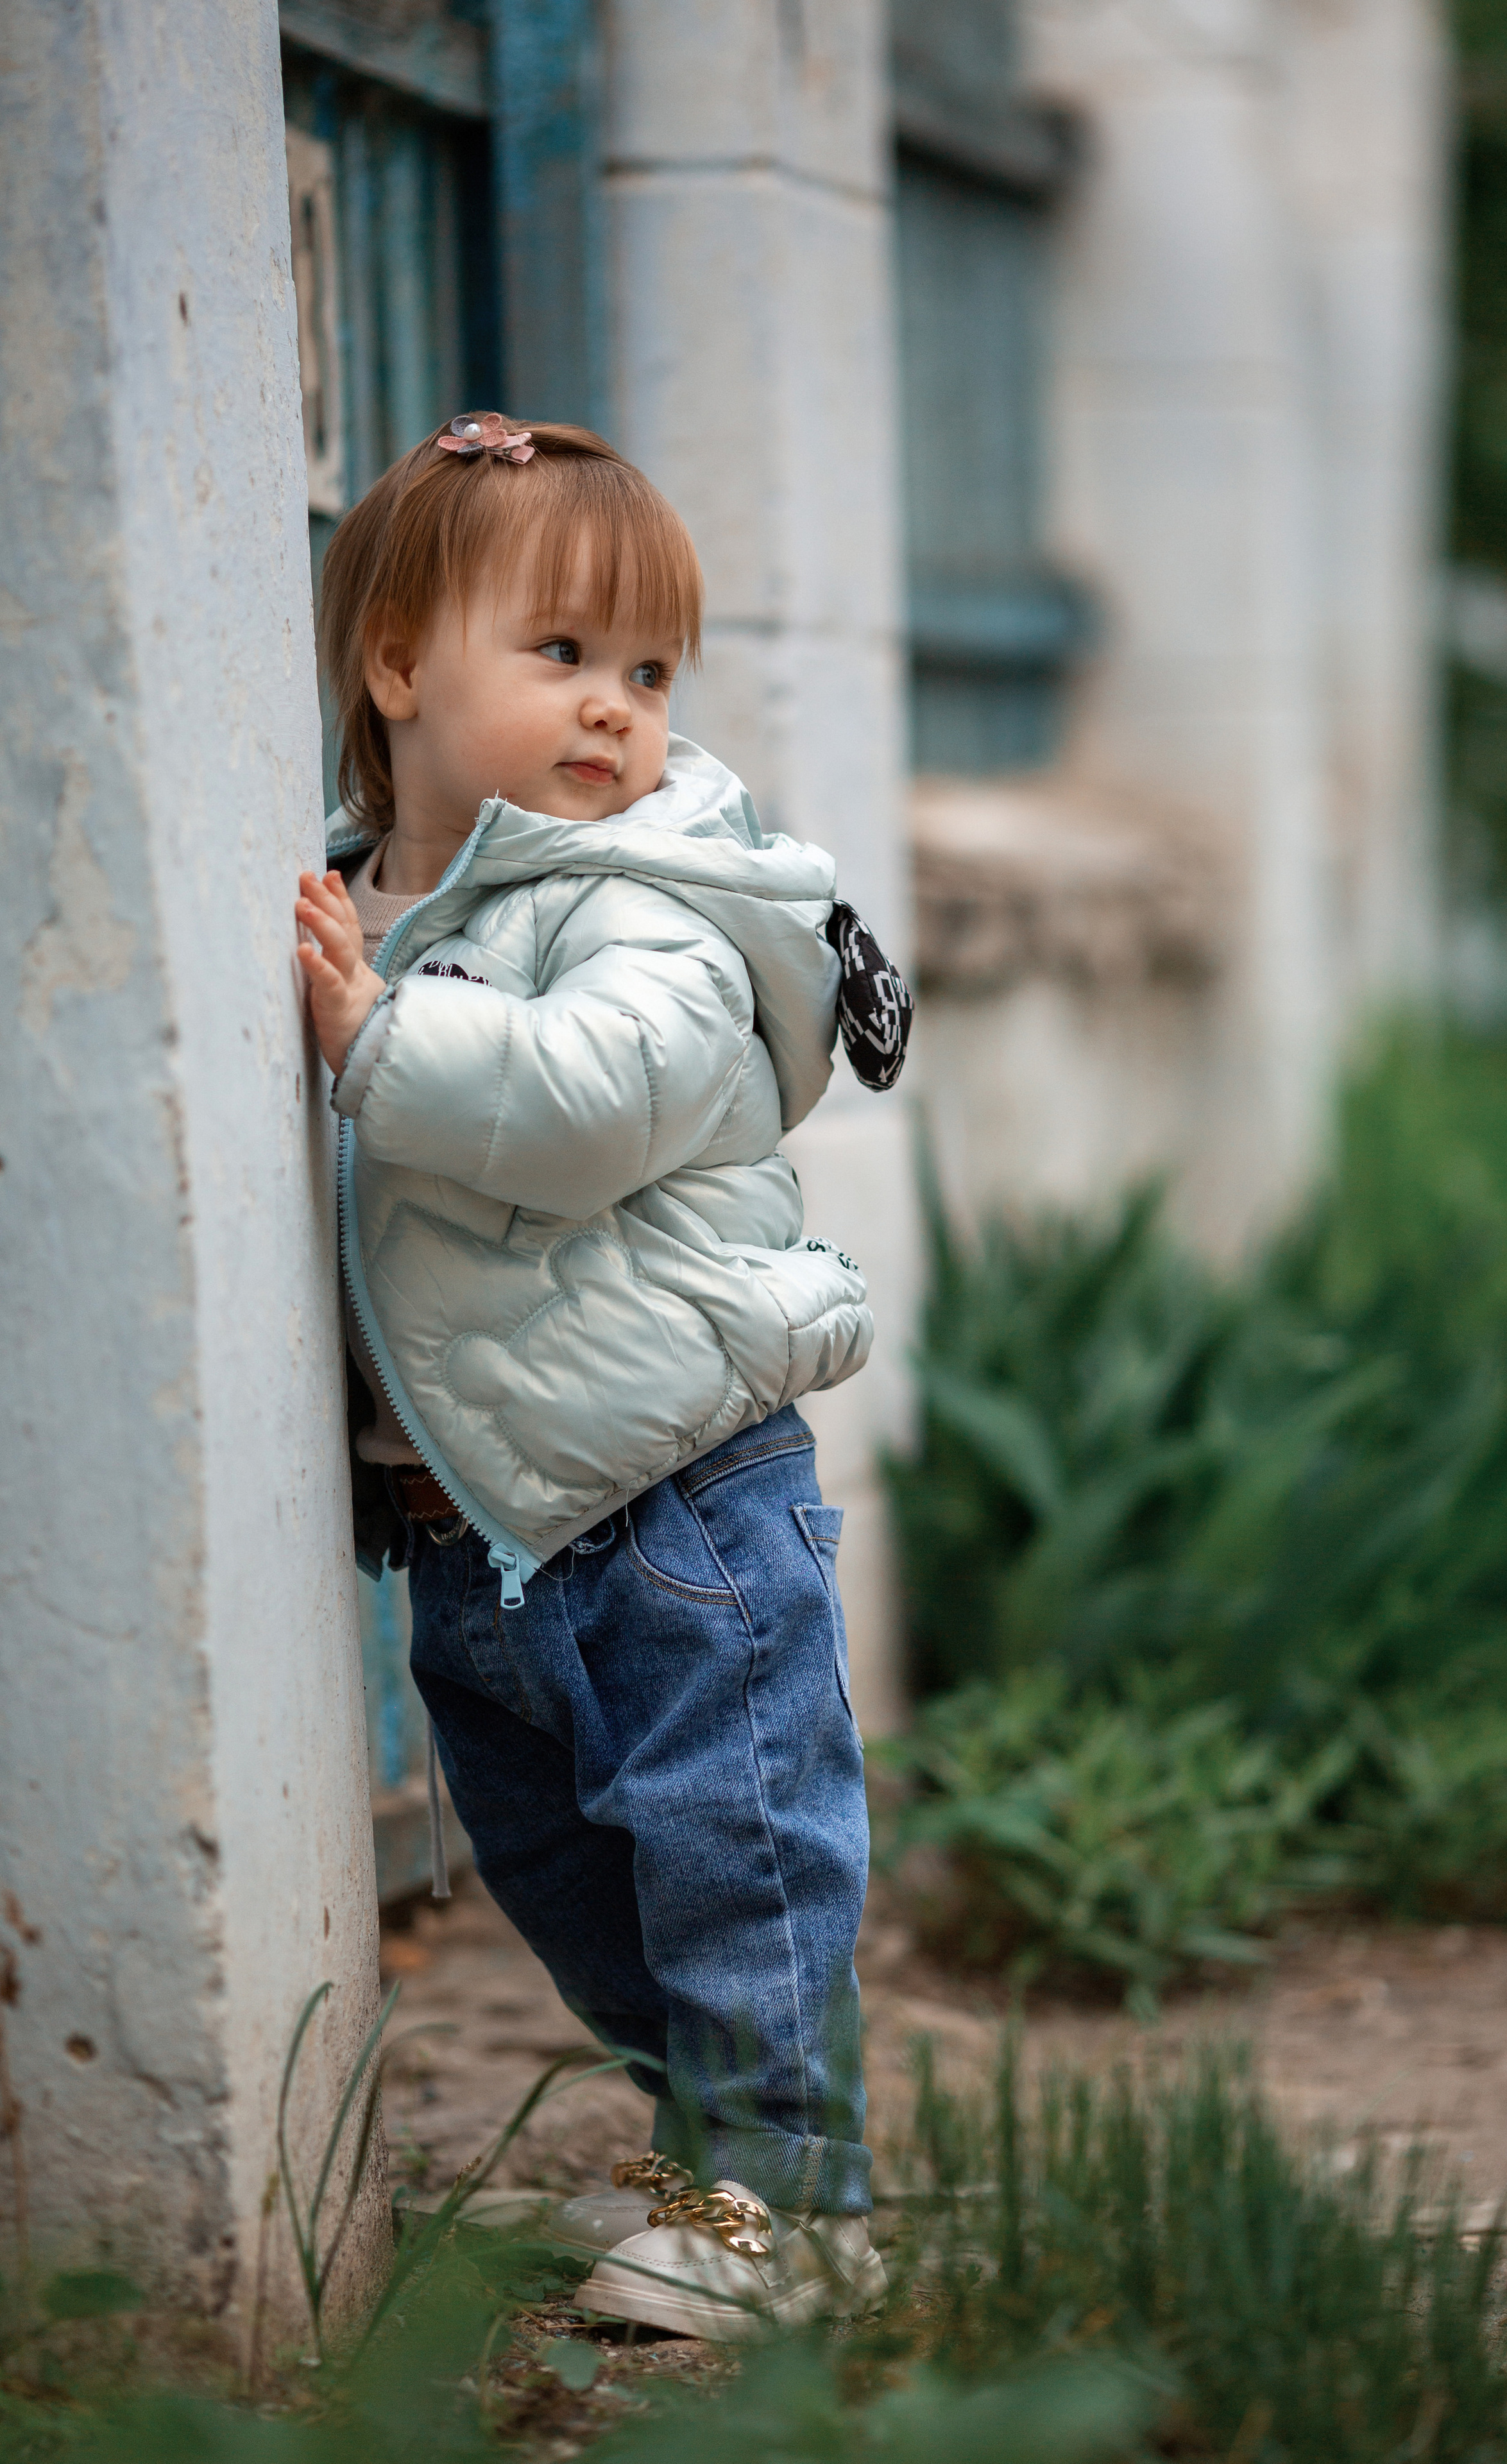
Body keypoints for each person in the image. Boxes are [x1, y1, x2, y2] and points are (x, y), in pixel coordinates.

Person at [293, 413, 892, 2338]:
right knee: (571, 1884)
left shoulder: (649, 900)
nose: (617, 711)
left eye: (647, 671)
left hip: (681, 1498)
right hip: (481, 1527)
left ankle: (789, 2206)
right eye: (561, 655)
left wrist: (380, 1044)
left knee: (735, 1855)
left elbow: (588, 1107)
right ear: (400, 667)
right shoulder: (351, 904)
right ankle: (705, 2167)